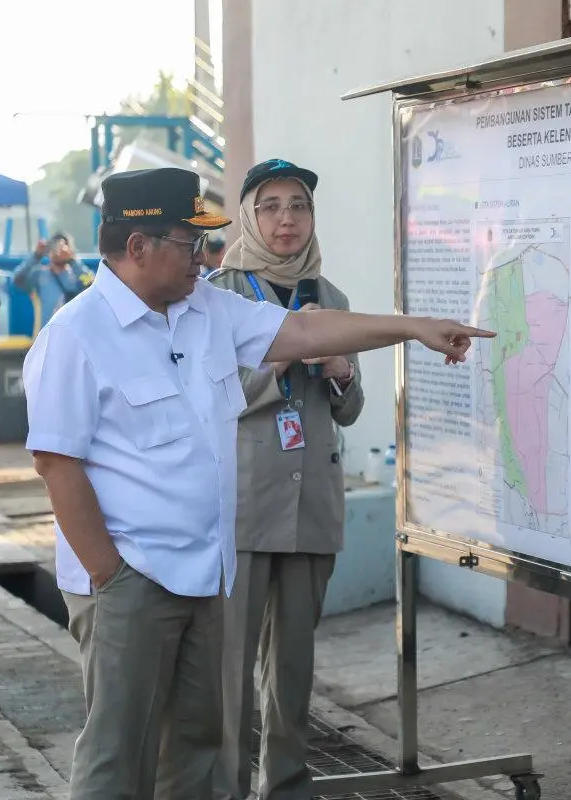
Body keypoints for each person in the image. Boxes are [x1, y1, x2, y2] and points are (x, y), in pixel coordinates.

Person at [22, 166, 490, 800]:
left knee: (196, 750)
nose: (203, 258)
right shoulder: (74, 337)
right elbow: (57, 464)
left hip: (205, 575)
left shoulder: (204, 309)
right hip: (129, 582)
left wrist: (414, 327)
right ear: (138, 247)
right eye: (190, 245)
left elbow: (303, 333)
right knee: (117, 758)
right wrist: (112, 578)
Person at [207, 159, 364, 800]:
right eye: (269, 206)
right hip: (244, 504)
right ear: (248, 216)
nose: (286, 219)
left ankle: (288, 785)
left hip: (311, 505)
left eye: (297, 205)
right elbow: (210, 393)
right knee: (228, 667)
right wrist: (287, 360)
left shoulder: (332, 299)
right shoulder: (218, 296)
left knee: (294, 665)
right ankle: (223, 787)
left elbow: (349, 410)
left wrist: (343, 374)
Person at [13, 232, 95, 329]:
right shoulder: (39, 275)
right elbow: (17, 279)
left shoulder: (77, 275)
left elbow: (91, 283)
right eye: (54, 246)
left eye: (62, 247)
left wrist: (72, 260)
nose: (57, 251)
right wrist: (36, 256)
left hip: (72, 334)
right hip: (46, 334)